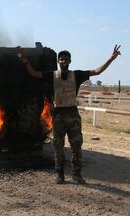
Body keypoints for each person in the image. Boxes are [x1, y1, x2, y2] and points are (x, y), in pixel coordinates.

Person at [17, 45, 121, 184]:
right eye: (61, 59)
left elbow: (97, 71)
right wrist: (25, 60)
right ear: (58, 61)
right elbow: (34, 73)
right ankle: (60, 175)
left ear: (70, 61)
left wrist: (111, 59)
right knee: (58, 147)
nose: (63, 61)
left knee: (76, 147)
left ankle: (77, 175)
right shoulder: (52, 75)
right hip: (58, 115)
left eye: (66, 59)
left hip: (72, 114)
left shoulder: (77, 75)